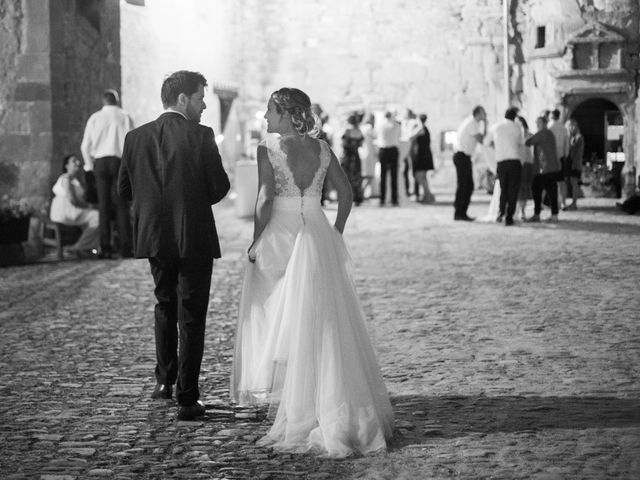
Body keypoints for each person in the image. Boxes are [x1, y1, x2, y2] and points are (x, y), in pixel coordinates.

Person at [231, 87, 393, 458]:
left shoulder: (268, 150)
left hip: (282, 232)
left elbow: (265, 199)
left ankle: (292, 397)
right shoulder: (323, 149)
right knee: (323, 320)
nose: (266, 117)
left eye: (271, 111)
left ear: (288, 115)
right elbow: (347, 194)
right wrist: (335, 232)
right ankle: (326, 399)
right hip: (317, 231)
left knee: (274, 310)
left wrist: (257, 241)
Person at [117, 71, 230, 420]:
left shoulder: (135, 138)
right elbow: (219, 188)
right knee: (191, 316)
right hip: (193, 236)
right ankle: (187, 397)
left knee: (164, 303)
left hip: (153, 235)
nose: (204, 104)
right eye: (200, 98)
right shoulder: (201, 135)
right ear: (183, 99)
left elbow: (124, 190)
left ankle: (164, 382)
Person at [81, 89, 134, 259]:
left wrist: (90, 167)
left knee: (103, 206)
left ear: (104, 101)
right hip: (119, 162)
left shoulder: (95, 118)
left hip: (101, 163)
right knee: (121, 205)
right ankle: (125, 247)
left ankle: (105, 247)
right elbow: (132, 143)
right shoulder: (125, 116)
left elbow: (85, 147)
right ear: (117, 101)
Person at [49, 154, 100, 255]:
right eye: (74, 161)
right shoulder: (66, 178)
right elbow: (72, 200)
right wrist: (87, 207)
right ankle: (79, 247)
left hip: (70, 209)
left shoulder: (75, 181)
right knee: (97, 216)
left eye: (78, 160)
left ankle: (86, 247)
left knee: (93, 217)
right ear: (66, 166)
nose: (78, 163)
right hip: (65, 210)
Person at [485, 107, 524, 226]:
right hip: (514, 161)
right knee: (513, 190)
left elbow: (486, 142)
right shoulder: (517, 127)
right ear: (514, 117)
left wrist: (496, 148)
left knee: (503, 189)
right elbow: (520, 143)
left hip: (501, 162)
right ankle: (509, 217)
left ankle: (501, 213)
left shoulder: (496, 126)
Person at [453, 106, 486, 221]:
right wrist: (485, 124)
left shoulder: (471, 122)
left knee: (467, 185)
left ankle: (461, 212)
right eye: (483, 113)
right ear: (478, 113)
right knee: (464, 185)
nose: (485, 115)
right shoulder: (472, 123)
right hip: (462, 156)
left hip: (464, 156)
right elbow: (481, 140)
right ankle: (459, 212)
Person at [525, 116, 561, 223]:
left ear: (545, 123)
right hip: (552, 167)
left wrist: (529, 135)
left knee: (536, 189)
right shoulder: (549, 133)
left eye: (539, 123)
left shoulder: (543, 133)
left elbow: (528, 142)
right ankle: (554, 215)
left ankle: (537, 214)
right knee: (551, 191)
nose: (537, 125)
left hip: (544, 168)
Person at [377, 111, 401, 206]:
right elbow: (399, 135)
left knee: (383, 176)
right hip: (393, 150)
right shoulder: (396, 125)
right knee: (394, 175)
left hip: (383, 150)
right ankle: (394, 199)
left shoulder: (380, 125)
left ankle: (382, 199)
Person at [410, 113, 435, 204]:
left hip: (422, 155)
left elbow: (410, 137)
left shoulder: (420, 128)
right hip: (425, 154)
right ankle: (428, 195)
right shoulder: (425, 128)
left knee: (419, 176)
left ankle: (428, 195)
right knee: (423, 177)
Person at [340, 113, 364, 205]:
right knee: (356, 177)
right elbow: (361, 144)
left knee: (346, 177)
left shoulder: (347, 130)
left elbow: (343, 144)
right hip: (356, 156)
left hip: (348, 156)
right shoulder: (359, 131)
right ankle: (357, 197)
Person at [548, 109, 570, 208]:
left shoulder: (549, 126)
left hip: (551, 157)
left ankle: (552, 202)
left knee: (549, 181)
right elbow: (567, 143)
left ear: (551, 116)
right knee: (561, 181)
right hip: (561, 156)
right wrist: (565, 154)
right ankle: (563, 202)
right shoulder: (564, 128)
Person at [562, 119, 584, 211]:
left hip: (574, 163)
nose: (571, 128)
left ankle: (574, 203)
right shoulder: (571, 137)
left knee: (574, 183)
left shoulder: (578, 137)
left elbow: (575, 151)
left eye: (572, 126)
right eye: (569, 126)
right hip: (570, 163)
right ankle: (566, 202)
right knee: (569, 182)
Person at [516, 116, 534, 220]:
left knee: (524, 187)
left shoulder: (529, 135)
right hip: (519, 162)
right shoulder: (515, 134)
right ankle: (519, 210)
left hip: (526, 162)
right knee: (520, 187)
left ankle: (522, 210)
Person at [359, 112, 377, 198]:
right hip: (369, 153)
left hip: (363, 152)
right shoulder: (369, 128)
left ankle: (361, 193)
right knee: (369, 176)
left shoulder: (361, 127)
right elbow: (375, 138)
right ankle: (361, 193)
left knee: (365, 175)